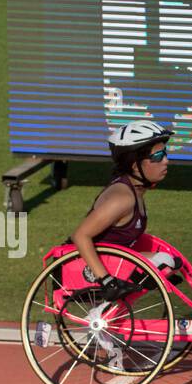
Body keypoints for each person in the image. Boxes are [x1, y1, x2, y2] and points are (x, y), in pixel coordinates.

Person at [69, 120, 174, 301]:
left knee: (167, 261)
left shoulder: (136, 191)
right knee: (165, 262)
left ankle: (115, 314)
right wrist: (107, 281)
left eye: (165, 153)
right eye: (157, 156)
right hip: (86, 268)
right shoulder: (122, 198)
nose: (166, 161)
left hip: (115, 261)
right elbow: (80, 235)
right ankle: (110, 312)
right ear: (135, 165)